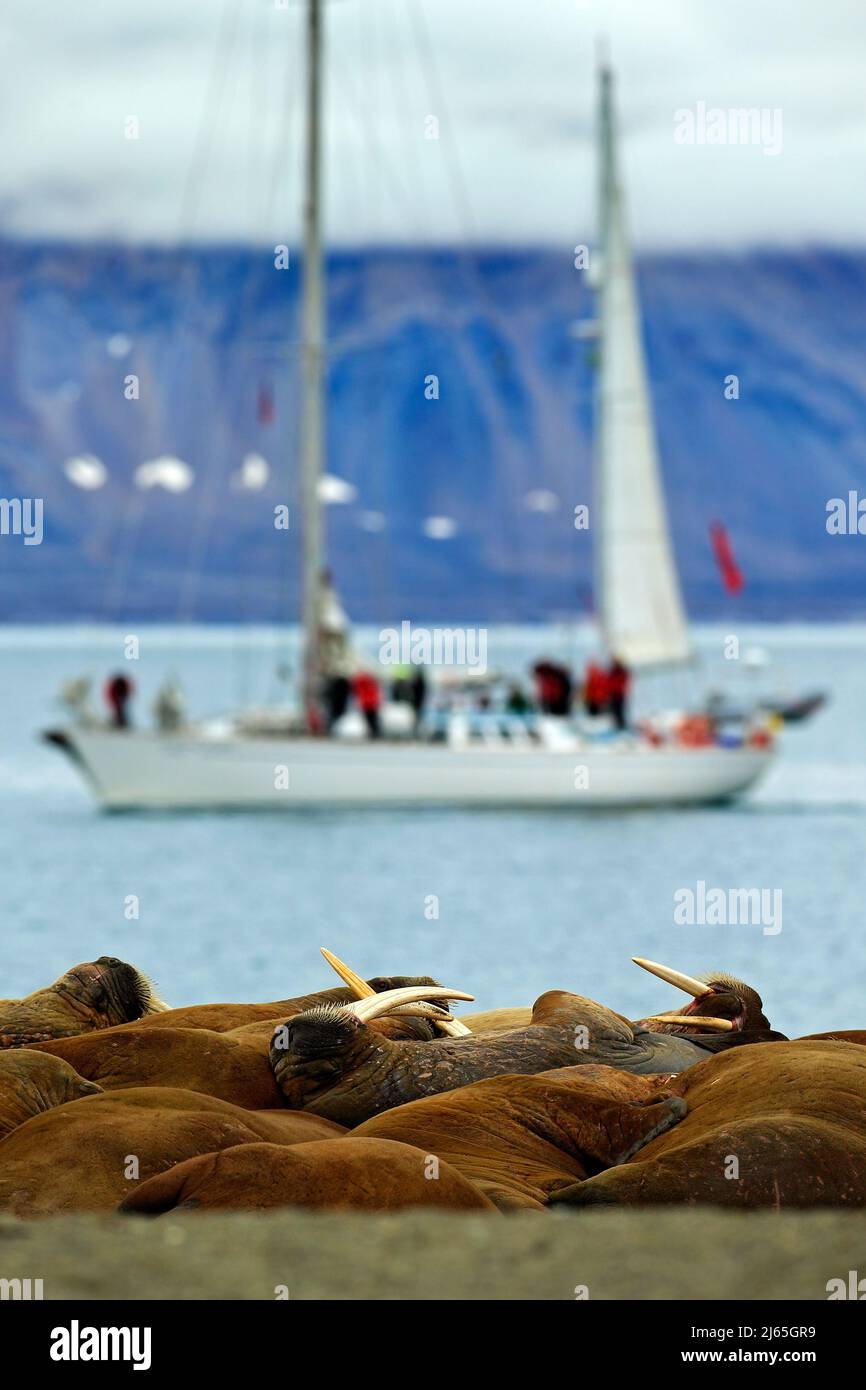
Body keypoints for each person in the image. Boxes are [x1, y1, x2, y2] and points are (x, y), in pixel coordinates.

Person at [351, 670, 382, 738]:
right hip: (372, 704)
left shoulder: (360, 684)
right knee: (373, 720)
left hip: (366, 704)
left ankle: (373, 733)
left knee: (369, 721)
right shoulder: (371, 683)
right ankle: (375, 733)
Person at [607, 657, 632, 731]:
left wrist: (624, 688)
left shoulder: (622, 670)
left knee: (620, 710)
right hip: (613, 693)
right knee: (615, 710)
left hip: (620, 693)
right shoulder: (612, 671)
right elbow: (609, 681)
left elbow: (625, 680)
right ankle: (617, 725)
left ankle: (622, 725)